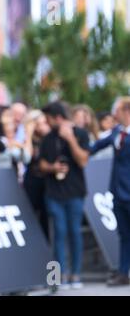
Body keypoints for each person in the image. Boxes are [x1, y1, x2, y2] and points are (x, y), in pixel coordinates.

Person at [39, 101, 90, 290]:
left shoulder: (81, 134)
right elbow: (41, 164)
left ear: (58, 118)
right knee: (59, 233)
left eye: (48, 118)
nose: (46, 122)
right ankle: (58, 277)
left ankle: (75, 274)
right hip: (53, 193)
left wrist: (70, 139)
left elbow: (83, 160)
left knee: (74, 232)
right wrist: (53, 167)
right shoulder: (47, 138)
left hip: (75, 192)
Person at [90, 97, 130, 286]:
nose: (114, 115)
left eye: (117, 111)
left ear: (126, 111)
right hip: (118, 192)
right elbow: (95, 147)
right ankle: (123, 272)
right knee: (124, 234)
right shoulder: (116, 132)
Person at [23, 110, 51, 240]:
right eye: (38, 124)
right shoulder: (28, 139)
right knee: (30, 215)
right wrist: (28, 134)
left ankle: (46, 245)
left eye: (44, 122)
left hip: (48, 182)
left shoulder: (49, 138)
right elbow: (27, 158)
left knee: (46, 218)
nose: (42, 126)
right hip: (32, 181)